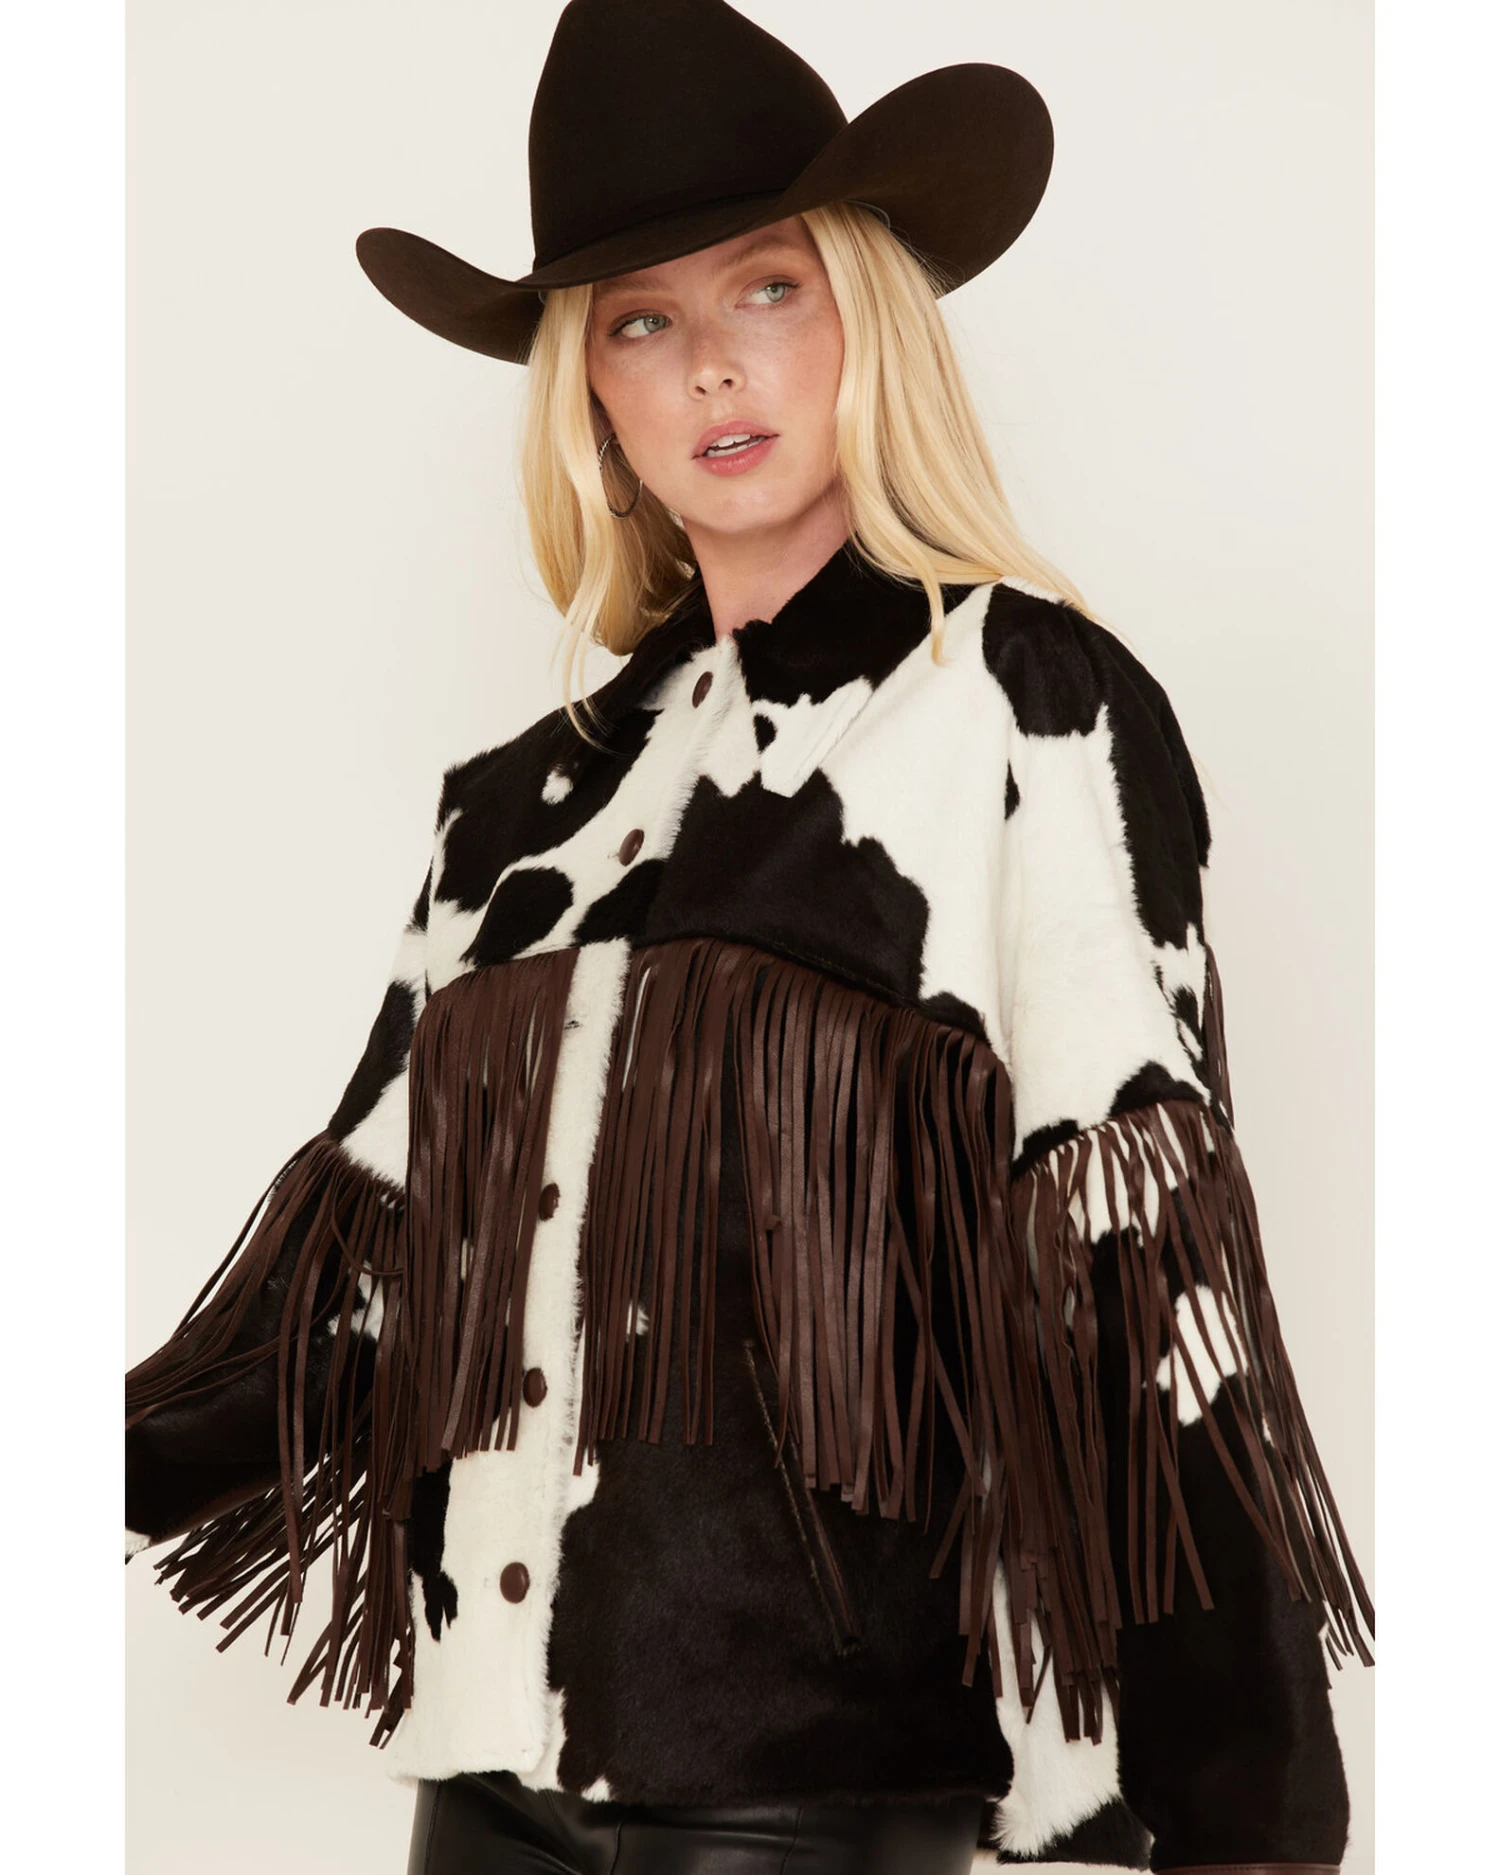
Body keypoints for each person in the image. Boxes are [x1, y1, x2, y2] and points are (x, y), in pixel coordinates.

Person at [124, 4, 1373, 1872]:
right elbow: (355, 1306)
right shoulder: (520, 808)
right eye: (639, 320)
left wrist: (1249, 1818)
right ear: (591, 395)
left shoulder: (1023, 708)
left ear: (868, 318)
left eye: (766, 289)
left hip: (804, 1783)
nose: (709, 360)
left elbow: (1135, 1271)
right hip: (488, 1783)